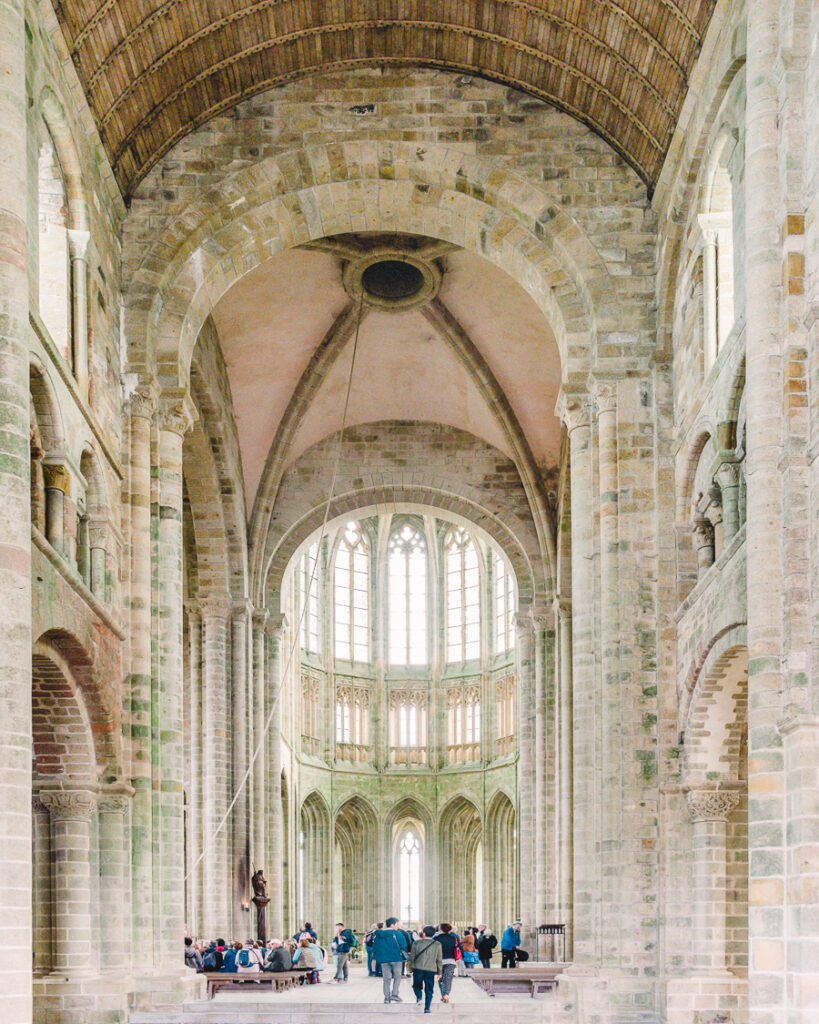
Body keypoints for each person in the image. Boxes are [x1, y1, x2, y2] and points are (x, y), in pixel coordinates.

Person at [372, 916, 410, 1004]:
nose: (398, 926)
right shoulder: (397, 934)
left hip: (384, 960)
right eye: (397, 924)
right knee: (397, 976)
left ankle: (386, 997)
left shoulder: (378, 935)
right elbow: (403, 946)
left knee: (386, 978)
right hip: (396, 958)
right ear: (393, 924)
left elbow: (375, 948)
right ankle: (395, 994)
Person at [409, 925, 442, 1014]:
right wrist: (439, 972)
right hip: (431, 969)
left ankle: (419, 997)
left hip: (418, 968)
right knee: (429, 989)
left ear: (423, 933)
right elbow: (439, 959)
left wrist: (410, 968)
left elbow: (412, 956)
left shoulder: (416, 943)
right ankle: (427, 1008)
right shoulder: (437, 944)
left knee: (416, 985)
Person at [433, 923, 461, 1003]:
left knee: (440, 978)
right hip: (451, 961)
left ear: (440, 929)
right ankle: (446, 994)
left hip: (439, 961)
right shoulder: (453, 938)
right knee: (448, 978)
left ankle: (443, 994)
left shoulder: (436, 938)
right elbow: (459, 948)